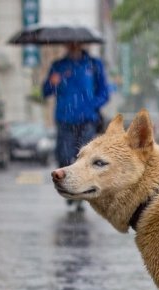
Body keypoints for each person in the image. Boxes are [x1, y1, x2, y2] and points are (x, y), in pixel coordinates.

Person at [42, 42, 110, 209]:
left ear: (82, 44)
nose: (73, 46)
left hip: (87, 120)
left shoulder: (94, 65)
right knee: (64, 156)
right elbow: (45, 91)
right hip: (64, 119)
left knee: (84, 158)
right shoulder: (58, 66)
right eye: (70, 43)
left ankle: (79, 193)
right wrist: (53, 81)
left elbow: (104, 92)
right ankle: (69, 189)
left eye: (76, 43)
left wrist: (91, 105)